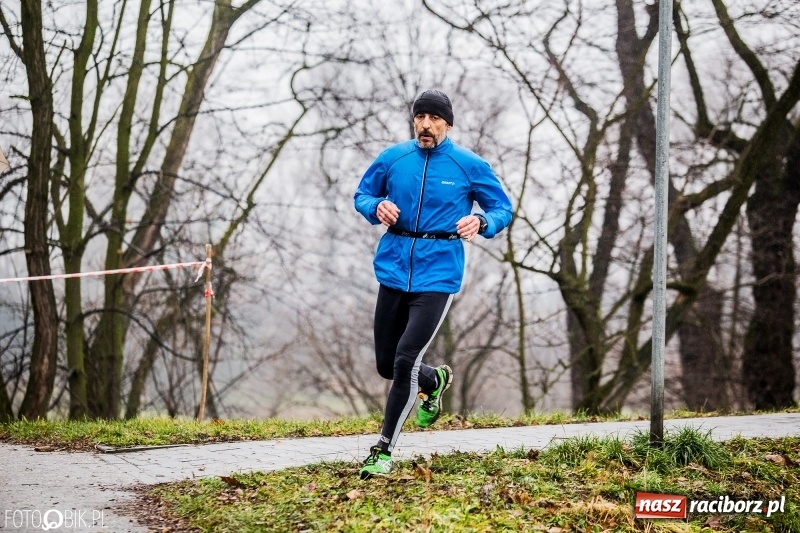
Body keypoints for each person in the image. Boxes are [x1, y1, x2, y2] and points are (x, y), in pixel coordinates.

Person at [353, 89, 513, 479]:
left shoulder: (468, 165)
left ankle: (384, 449)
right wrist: (376, 207)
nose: (425, 124)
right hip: (393, 269)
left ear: (448, 124)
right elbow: (362, 194)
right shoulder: (394, 158)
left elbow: (502, 208)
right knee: (387, 365)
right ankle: (433, 379)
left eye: (434, 118)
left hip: (438, 274)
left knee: (405, 358)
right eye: (419, 117)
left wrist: (482, 222)